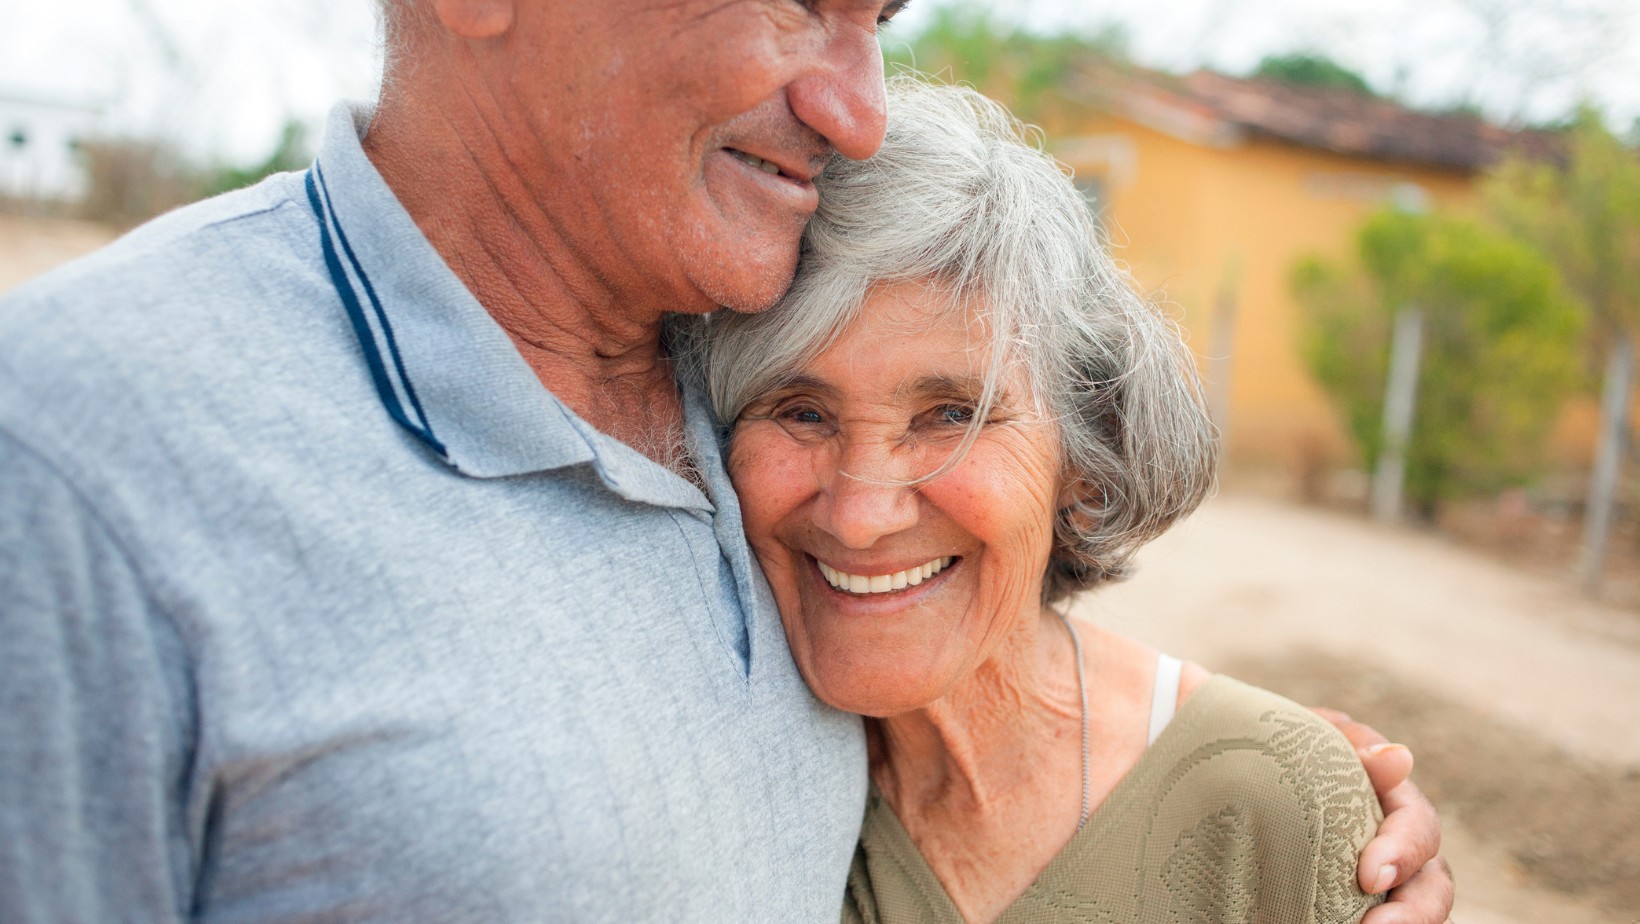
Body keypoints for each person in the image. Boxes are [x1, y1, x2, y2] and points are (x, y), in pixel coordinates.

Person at [0, 1, 1449, 921]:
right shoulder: (81, 451)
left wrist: (1286, 803)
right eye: (801, 4)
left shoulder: (717, 361)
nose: (859, 104)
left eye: (877, 20)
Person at [689, 78, 1424, 923]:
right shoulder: (729, 771)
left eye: (951, 416)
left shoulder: (1270, 804)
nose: (861, 512)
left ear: (1085, 453)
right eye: (801, 411)